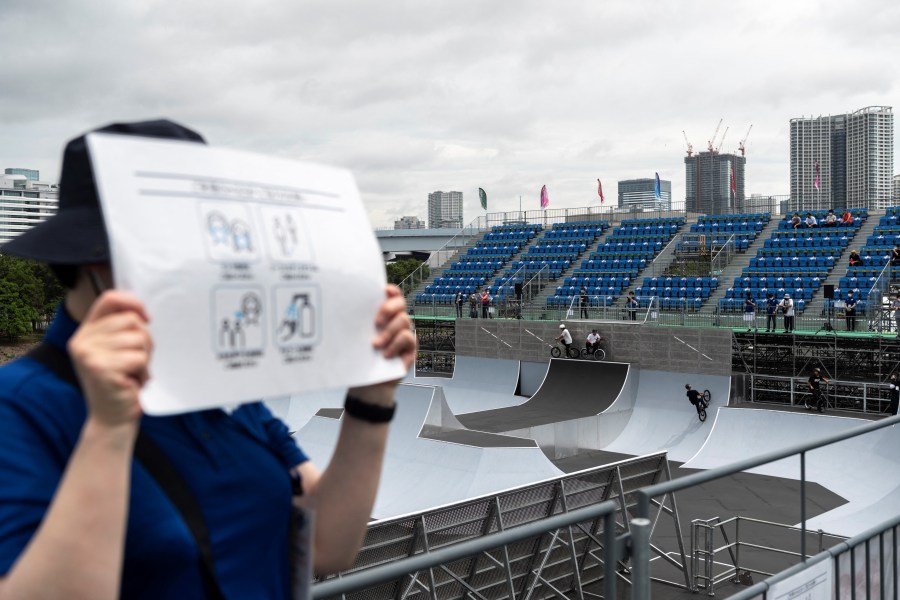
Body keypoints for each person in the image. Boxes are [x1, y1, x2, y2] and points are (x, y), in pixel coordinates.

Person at [0, 120, 417, 598]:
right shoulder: (18, 408)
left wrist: (373, 395)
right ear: (97, 261)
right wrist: (108, 430)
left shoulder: (213, 385)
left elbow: (328, 545)